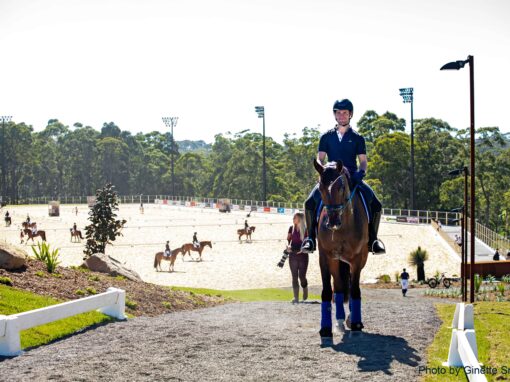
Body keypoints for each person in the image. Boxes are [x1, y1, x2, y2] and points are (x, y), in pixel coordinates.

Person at [301, 99, 385, 254]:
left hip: (351, 176)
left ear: (350, 115)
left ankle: (373, 240)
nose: (341, 115)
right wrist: (321, 167)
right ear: (335, 115)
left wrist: (360, 174)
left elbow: (363, 162)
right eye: (338, 112)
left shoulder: (358, 138)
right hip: (330, 176)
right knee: (309, 203)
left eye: (345, 113)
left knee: (376, 204)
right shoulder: (326, 137)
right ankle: (310, 239)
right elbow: (320, 157)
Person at [279, 212, 309, 304]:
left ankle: (305, 288)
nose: (293, 219)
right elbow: (288, 240)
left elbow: (308, 242)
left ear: (299, 219)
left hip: (303, 255)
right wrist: (288, 246)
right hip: (292, 255)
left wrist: (304, 249)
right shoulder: (291, 228)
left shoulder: (306, 230)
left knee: (302, 276)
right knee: (294, 277)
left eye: (294, 217)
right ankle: (296, 298)